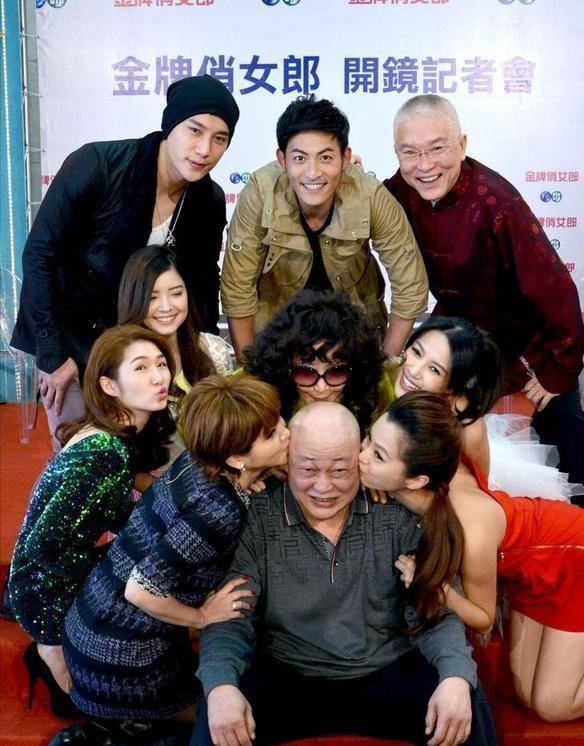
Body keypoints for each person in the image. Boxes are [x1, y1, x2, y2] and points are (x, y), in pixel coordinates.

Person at [191, 402, 497, 746]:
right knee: (218, 716)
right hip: (288, 670)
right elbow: (232, 615)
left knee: (464, 702)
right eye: (307, 469)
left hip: (387, 669)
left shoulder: (395, 509)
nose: (323, 487)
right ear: (286, 460)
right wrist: (220, 685)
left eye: (340, 470)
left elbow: (432, 610)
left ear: (360, 460)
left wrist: (455, 676)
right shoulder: (258, 514)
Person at [48, 375, 290, 746]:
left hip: (89, 624)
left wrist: (252, 473)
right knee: (229, 722)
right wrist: (202, 617)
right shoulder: (219, 510)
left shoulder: (198, 461)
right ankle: (114, 730)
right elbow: (139, 590)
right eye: (273, 434)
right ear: (235, 457)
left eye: (280, 422)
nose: (287, 433)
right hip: (121, 660)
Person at [11, 75, 239, 450]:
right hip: (72, 336)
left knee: (150, 455)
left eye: (220, 139)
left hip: (144, 350)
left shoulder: (208, 199)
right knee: (86, 455)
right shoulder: (98, 165)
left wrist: (203, 353)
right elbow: (40, 254)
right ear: (170, 125)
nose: (204, 149)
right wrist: (53, 356)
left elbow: (201, 280)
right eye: (194, 130)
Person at [384, 94, 584, 488]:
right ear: (398, 154)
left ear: (462, 145)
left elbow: (556, 290)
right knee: (416, 403)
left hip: (524, 338)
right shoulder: (398, 191)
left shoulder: (498, 203)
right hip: (459, 327)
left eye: (437, 148)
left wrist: (558, 369)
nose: (424, 165)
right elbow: (364, 201)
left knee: (562, 428)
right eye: (410, 152)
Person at [360, 392, 584, 722]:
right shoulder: (434, 467)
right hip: (534, 571)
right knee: (524, 693)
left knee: (552, 705)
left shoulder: (469, 529)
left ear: (417, 479)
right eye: (368, 440)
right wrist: (380, 476)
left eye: (377, 456)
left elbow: (483, 617)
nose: (361, 457)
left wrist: (439, 589)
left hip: (575, 559)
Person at [8, 324, 174, 719]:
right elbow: (42, 547)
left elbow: (114, 505)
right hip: (45, 592)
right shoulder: (104, 450)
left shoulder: (116, 438)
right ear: (109, 385)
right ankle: (47, 651)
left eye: (161, 364)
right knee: (90, 709)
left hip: (56, 573)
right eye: (141, 368)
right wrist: (105, 577)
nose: (158, 377)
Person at [221, 96, 428, 361]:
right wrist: (249, 365)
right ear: (282, 160)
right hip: (278, 332)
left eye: (326, 157)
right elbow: (238, 285)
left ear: (345, 158)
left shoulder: (370, 194)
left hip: (354, 332)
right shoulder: (261, 191)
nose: (313, 173)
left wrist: (385, 364)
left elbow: (410, 284)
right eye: (300, 158)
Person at [392, 316, 582, 501]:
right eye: (416, 351)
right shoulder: (390, 377)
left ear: (453, 385)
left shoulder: (465, 428)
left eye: (434, 369)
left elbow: (478, 491)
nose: (413, 370)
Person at [244, 289, 389, 435]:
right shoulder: (253, 399)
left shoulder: (377, 394)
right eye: (305, 373)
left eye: (336, 371)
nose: (321, 388)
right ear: (285, 368)